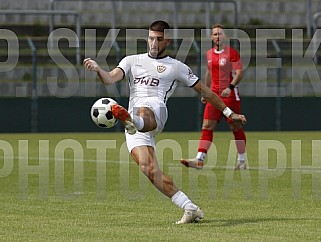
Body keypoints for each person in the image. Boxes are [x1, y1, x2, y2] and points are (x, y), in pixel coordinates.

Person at [83, 20, 247, 224]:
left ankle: (130, 118)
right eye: (151, 38)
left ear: (167, 41)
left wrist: (229, 112)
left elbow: (206, 91)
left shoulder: (176, 67)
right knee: (148, 169)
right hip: (135, 123)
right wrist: (99, 69)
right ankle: (190, 208)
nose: (154, 42)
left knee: (143, 109)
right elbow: (109, 79)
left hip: (156, 111)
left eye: (159, 39)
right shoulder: (131, 61)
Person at [180, 24, 247, 170]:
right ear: (211, 37)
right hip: (214, 95)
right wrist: (206, 92)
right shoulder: (209, 54)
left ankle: (242, 160)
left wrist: (230, 87)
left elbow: (239, 73)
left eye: (220, 34)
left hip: (229, 96)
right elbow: (209, 73)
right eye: (215, 34)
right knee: (207, 126)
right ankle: (199, 159)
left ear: (225, 37)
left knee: (235, 126)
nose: (217, 36)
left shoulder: (231, 53)